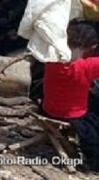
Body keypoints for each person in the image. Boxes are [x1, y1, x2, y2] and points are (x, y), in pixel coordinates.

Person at [43, 20, 99, 172]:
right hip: (73, 115)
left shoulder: (51, 59)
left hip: (48, 108)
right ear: (92, 46)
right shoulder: (89, 66)